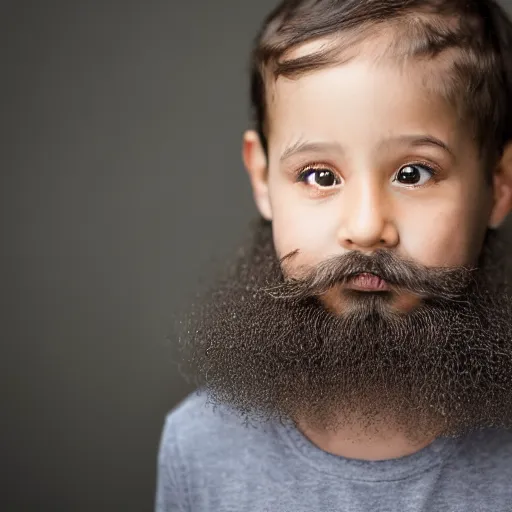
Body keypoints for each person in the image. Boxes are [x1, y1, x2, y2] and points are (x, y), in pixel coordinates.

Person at [155, 1, 512, 510]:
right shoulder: (199, 447)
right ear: (262, 179)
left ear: (498, 184)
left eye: (414, 173)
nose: (366, 228)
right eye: (320, 175)